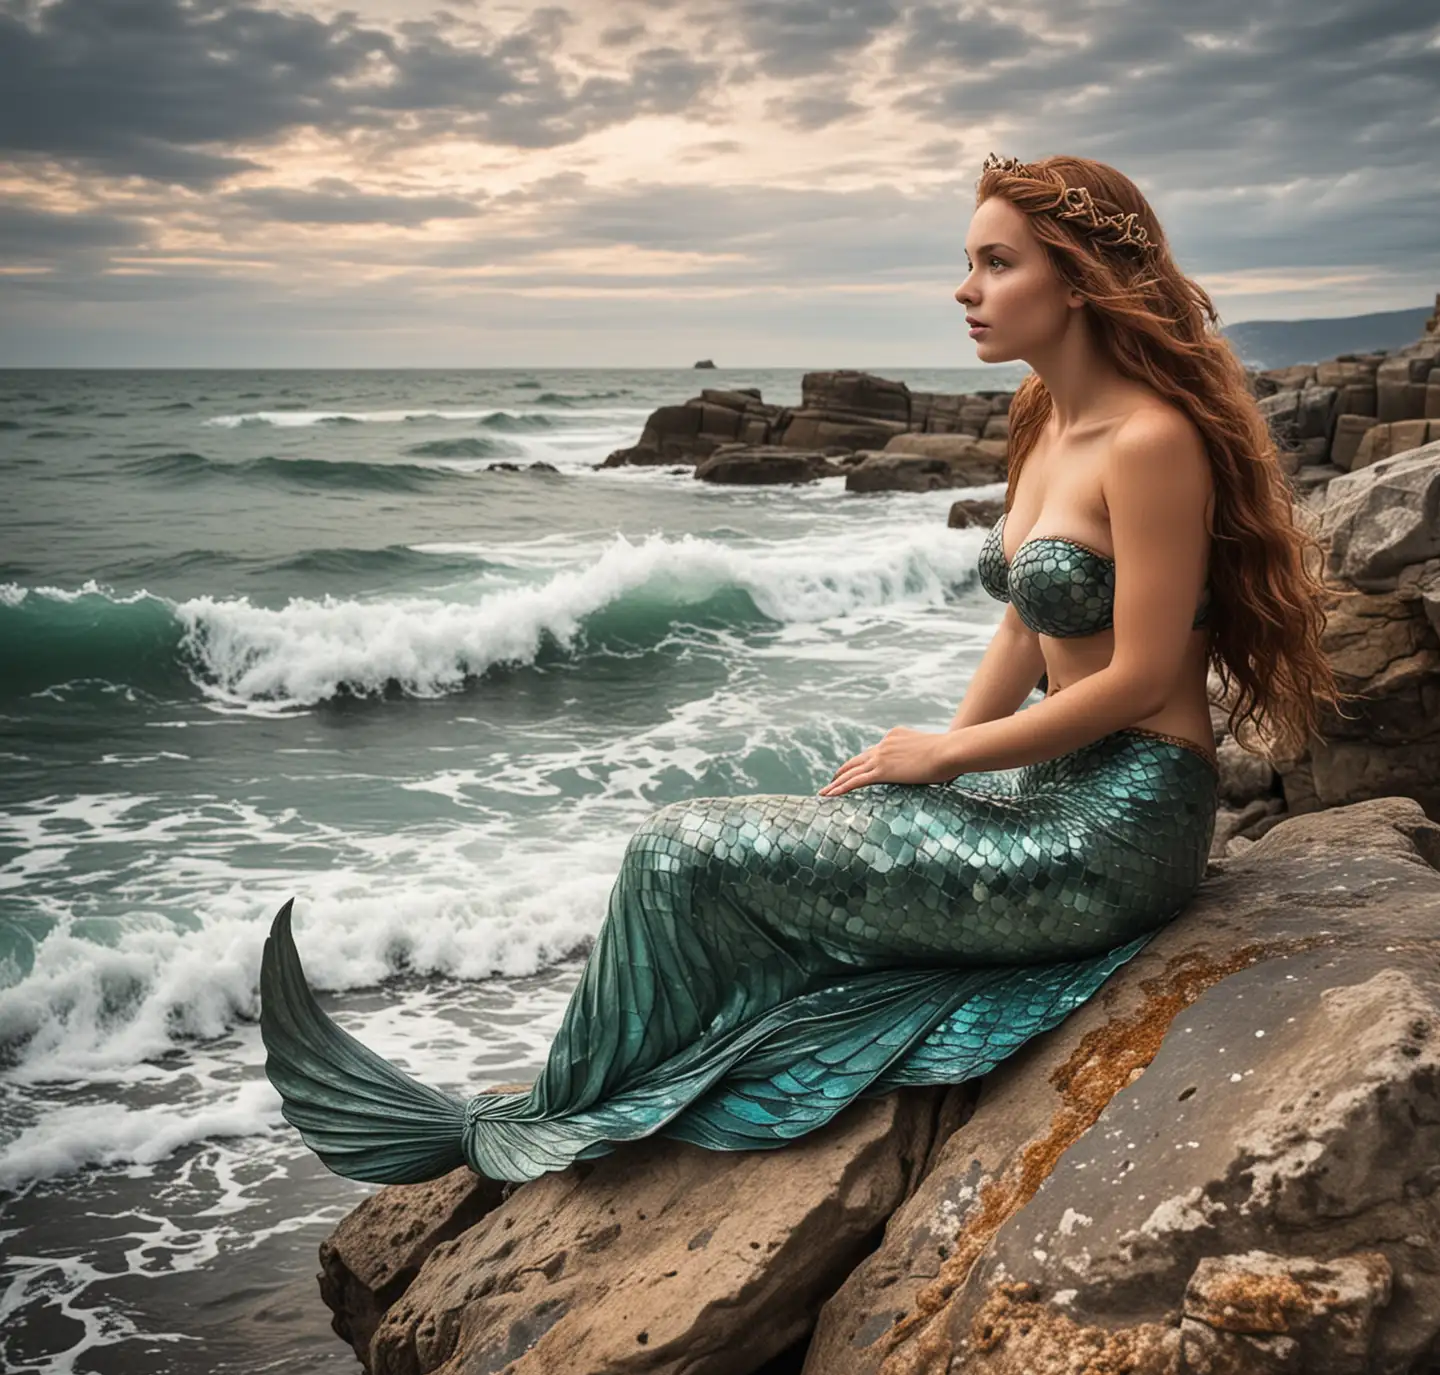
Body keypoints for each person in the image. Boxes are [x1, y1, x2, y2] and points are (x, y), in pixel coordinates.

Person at [258, 153, 1347, 1185]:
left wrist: (950, 755)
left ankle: (560, 1115)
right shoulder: (1043, 423)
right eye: (970, 261)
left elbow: (1145, 680)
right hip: (1036, 791)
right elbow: (1025, 627)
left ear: (1080, 280)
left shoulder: (1151, 442)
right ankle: (597, 1092)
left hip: (1120, 827)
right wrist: (947, 769)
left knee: (678, 852)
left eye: (996, 263)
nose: (964, 289)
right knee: (742, 850)